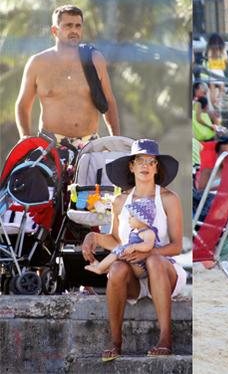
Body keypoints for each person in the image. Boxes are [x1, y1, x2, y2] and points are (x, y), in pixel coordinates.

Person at [81, 139, 186, 361]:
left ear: (157, 167)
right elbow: (118, 240)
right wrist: (94, 237)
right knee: (117, 268)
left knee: (154, 262)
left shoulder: (168, 198)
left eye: (151, 161)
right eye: (140, 161)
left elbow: (177, 246)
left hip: (165, 271)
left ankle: (165, 340)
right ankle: (116, 343)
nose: (145, 166)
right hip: (134, 276)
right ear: (131, 166)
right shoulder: (120, 200)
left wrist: (149, 253)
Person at [15, 4, 120, 145]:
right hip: (50, 145)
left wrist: (116, 139)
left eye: (78, 26)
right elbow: (23, 105)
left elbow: (110, 102)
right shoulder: (38, 63)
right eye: (68, 26)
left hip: (89, 145)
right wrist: (25, 138)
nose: (74, 30)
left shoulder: (95, 59)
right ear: (54, 31)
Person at [84, 198, 159, 277]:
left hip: (141, 266)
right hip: (133, 262)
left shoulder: (148, 232)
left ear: (143, 219)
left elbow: (148, 245)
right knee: (119, 256)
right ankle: (103, 268)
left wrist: (134, 247)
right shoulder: (135, 231)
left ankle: (100, 268)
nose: (129, 218)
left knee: (120, 250)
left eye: (132, 216)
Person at [205, 33, 228, 107]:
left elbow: (208, 59)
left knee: (212, 89)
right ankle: (219, 101)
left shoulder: (209, 49)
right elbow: (226, 59)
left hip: (211, 70)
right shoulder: (222, 49)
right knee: (222, 87)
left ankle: (213, 104)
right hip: (219, 70)